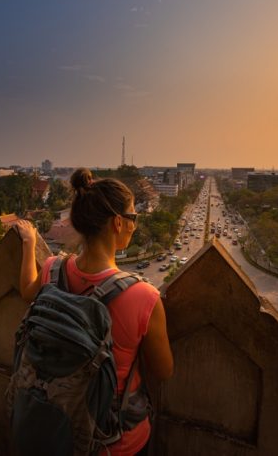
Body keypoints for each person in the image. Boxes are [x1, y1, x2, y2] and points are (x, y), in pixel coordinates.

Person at [17, 168, 173, 456]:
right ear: (117, 222)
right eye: (133, 218)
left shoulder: (52, 269)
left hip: (53, 426)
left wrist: (29, 242)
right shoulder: (143, 297)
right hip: (113, 441)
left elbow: (26, 288)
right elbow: (163, 371)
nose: (134, 226)